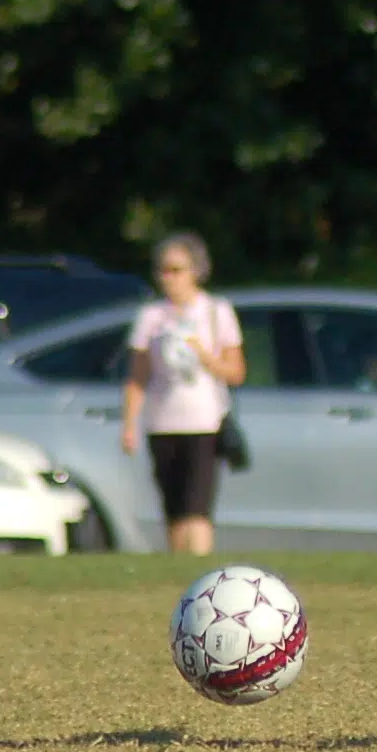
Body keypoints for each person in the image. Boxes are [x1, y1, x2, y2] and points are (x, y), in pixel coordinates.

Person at [121, 232, 246, 555]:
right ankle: (178, 569)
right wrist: (129, 424)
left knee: (197, 508)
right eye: (163, 270)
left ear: (195, 272)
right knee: (174, 509)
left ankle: (200, 567)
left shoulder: (215, 311)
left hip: (204, 421)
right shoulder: (151, 317)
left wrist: (205, 356)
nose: (169, 279)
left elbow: (236, 371)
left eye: (176, 270)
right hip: (162, 421)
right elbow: (138, 376)